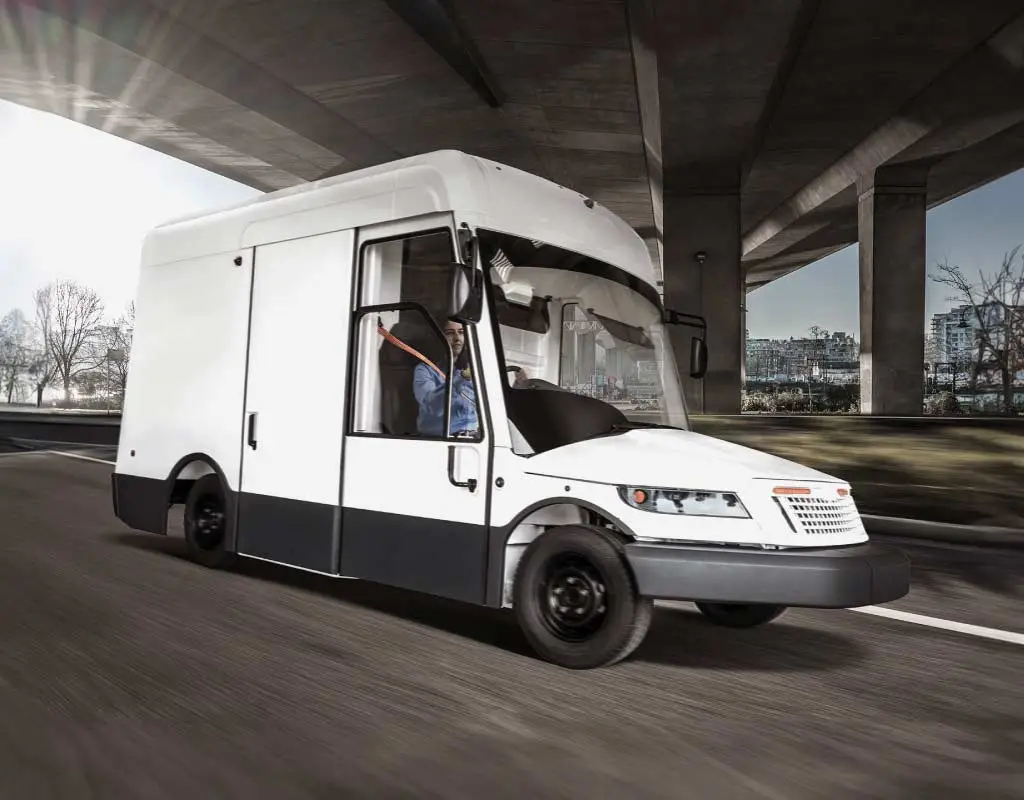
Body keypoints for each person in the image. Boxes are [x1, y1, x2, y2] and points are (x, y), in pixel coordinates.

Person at [412, 318, 478, 437]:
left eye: (461, 332)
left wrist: (519, 383)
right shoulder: (425, 370)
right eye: (450, 333)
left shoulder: (472, 369)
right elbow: (432, 406)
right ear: (439, 338)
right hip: (441, 442)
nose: (457, 338)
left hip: (476, 439)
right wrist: (462, 378)